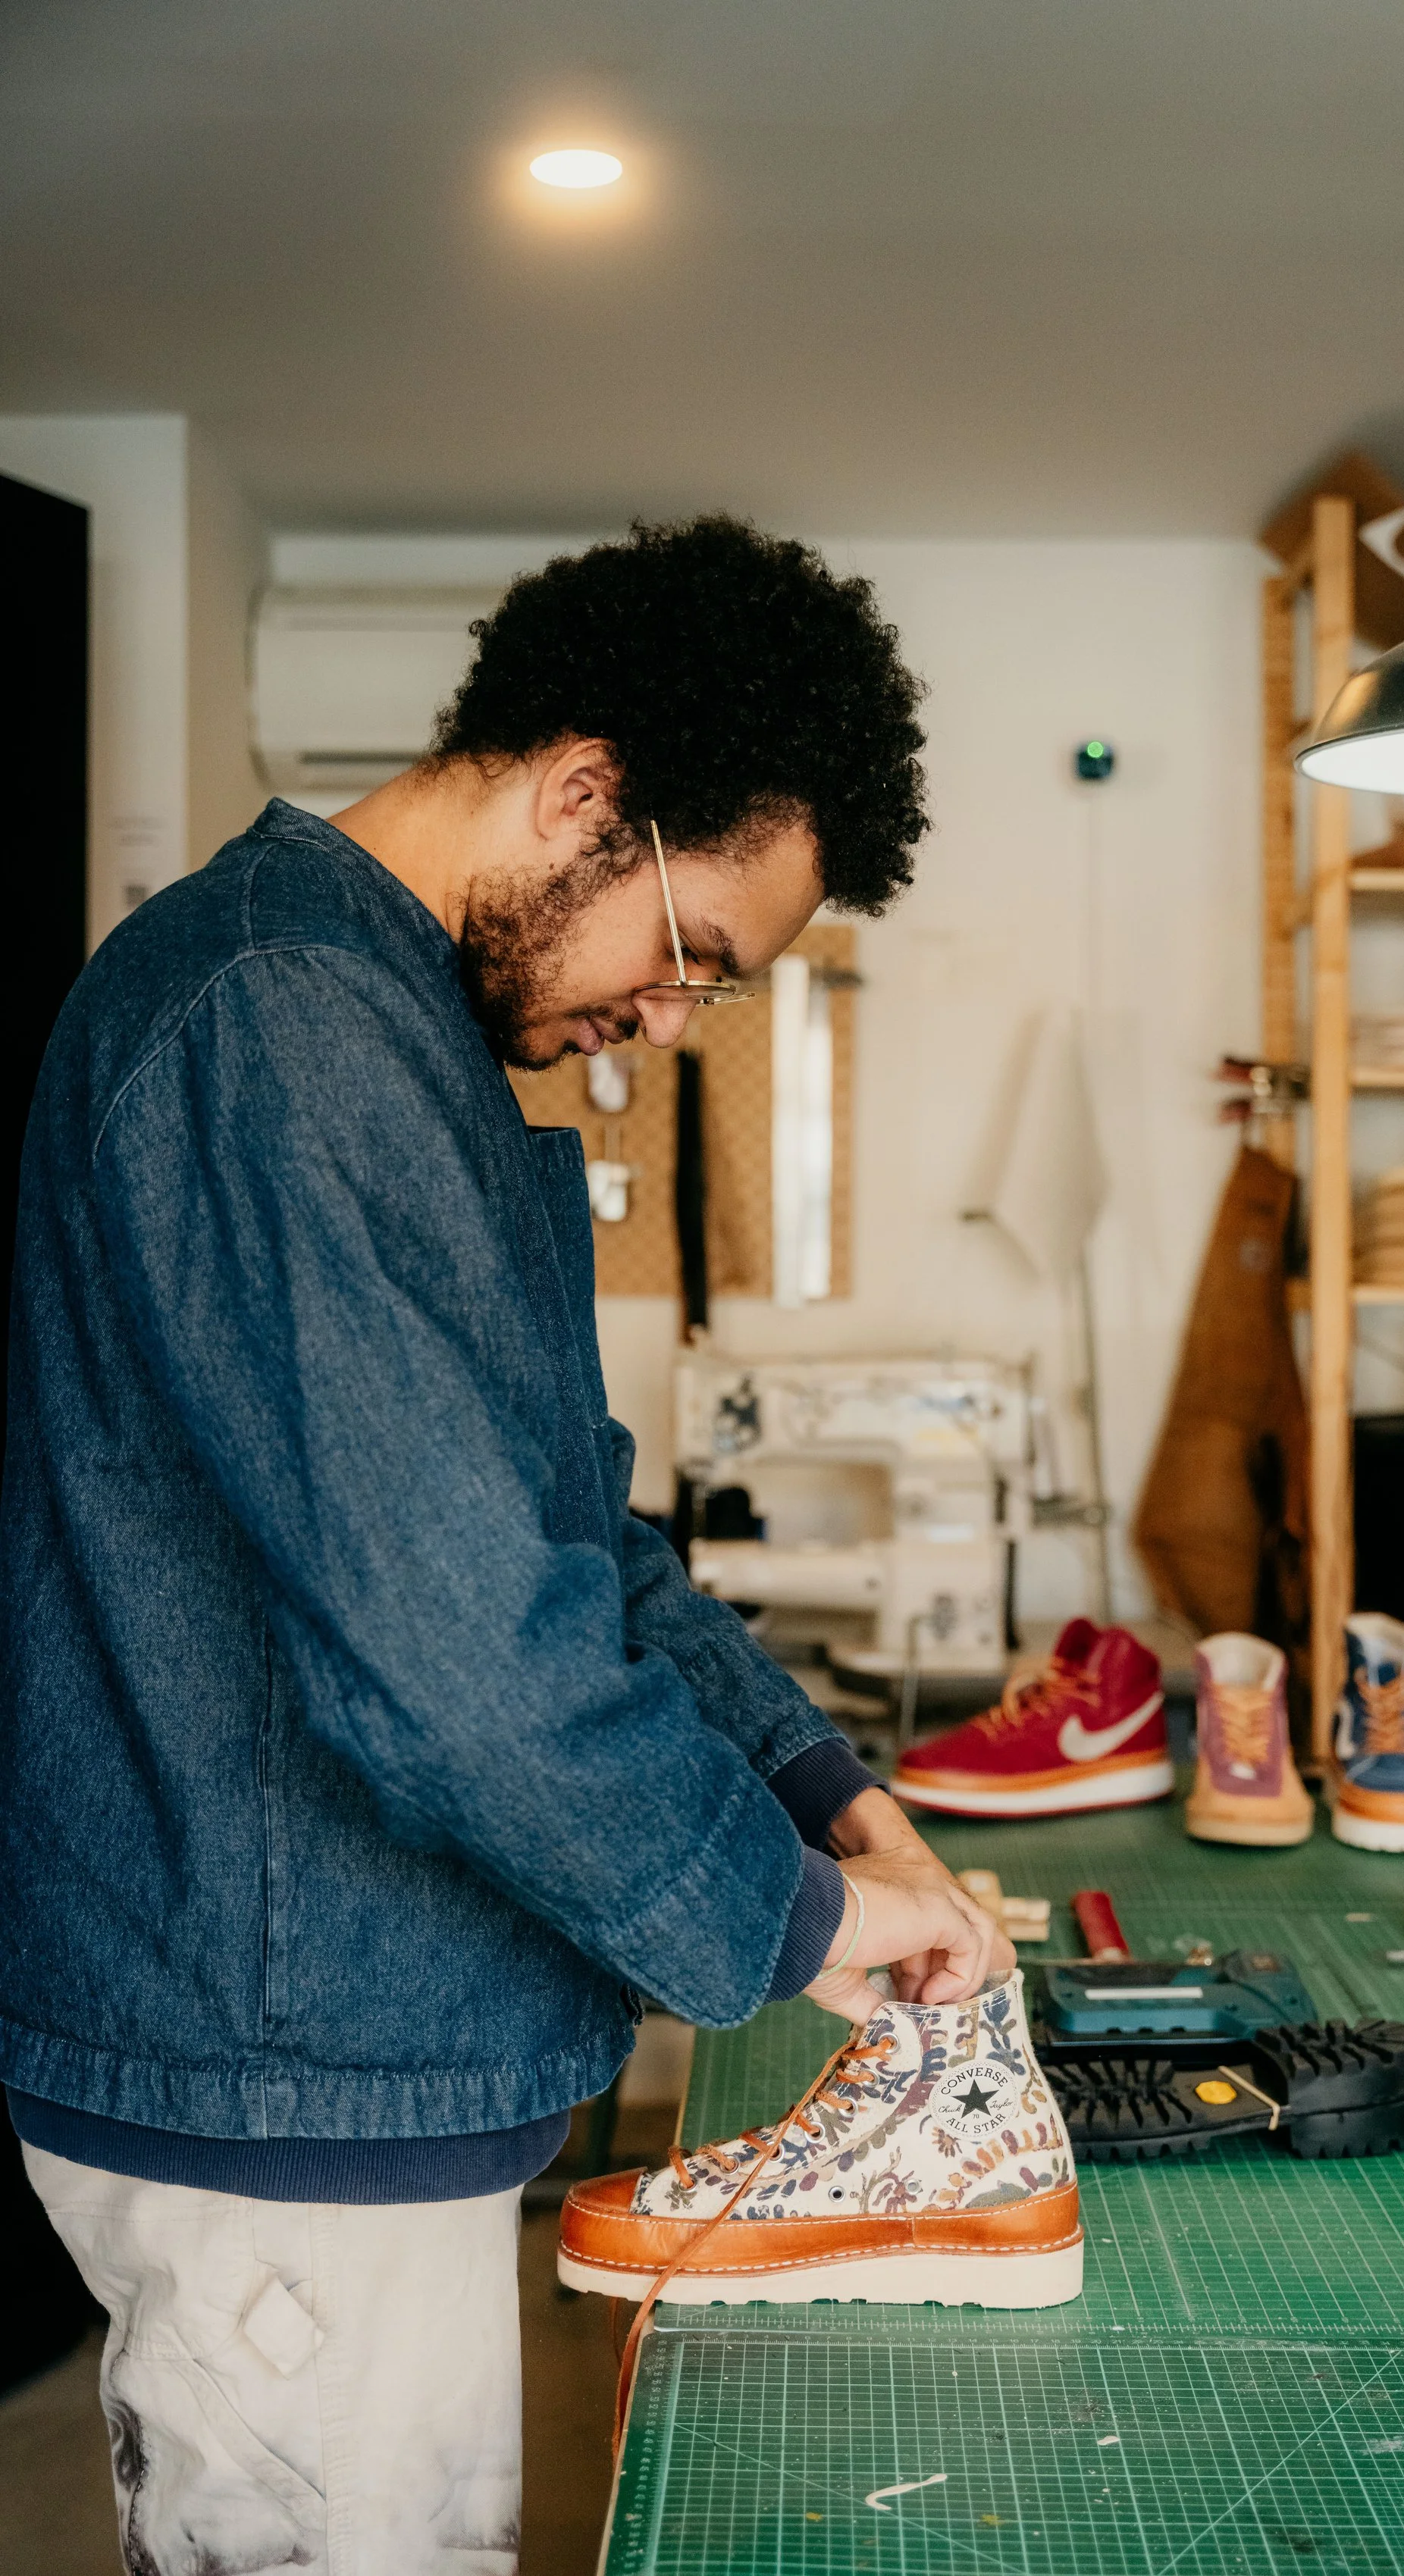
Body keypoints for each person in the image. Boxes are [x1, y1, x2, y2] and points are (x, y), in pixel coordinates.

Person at [0, 518, 1011, 2571]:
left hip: (354, 2046)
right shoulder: (276, 1023)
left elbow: (571, 1537)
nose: (666, 1014)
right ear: (583, 790)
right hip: (284, 2066)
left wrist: (826, 1794)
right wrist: (792, 1930)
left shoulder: (400, 1043)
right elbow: (455, 1643)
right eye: (694, 948)